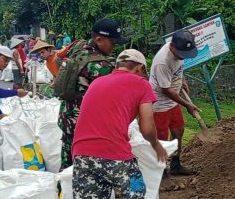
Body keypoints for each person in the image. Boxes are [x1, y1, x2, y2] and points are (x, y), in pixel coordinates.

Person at [72, 49, 168, 198]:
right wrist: (156, 145)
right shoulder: (141, 83)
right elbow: (147, 128)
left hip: (81, 153)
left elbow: (102, 116)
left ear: (117, 66)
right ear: (140, 68)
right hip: (113, 152)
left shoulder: (97, 82)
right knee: (136, 190)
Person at [58, 18, 128, 170]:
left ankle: (61, 190)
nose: (114, 47)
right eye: (113, 42)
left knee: (67, 162)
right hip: (83, 123)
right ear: (99, 39)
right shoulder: (100, 67)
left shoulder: (78, 47)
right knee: (82, 168)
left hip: (67, 115)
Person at [149, 29, 200, 175]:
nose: (183, 57)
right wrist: (187, 104)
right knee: (161, 138)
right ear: (172, 47)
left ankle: (176, 164)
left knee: (178, 131)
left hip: (172, 102)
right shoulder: (162, 62)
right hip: (159, 104)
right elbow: (166, 90)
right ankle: (160, 169)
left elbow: (179, 68)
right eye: (181, 54)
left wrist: (182, 80)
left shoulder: (179, 50)